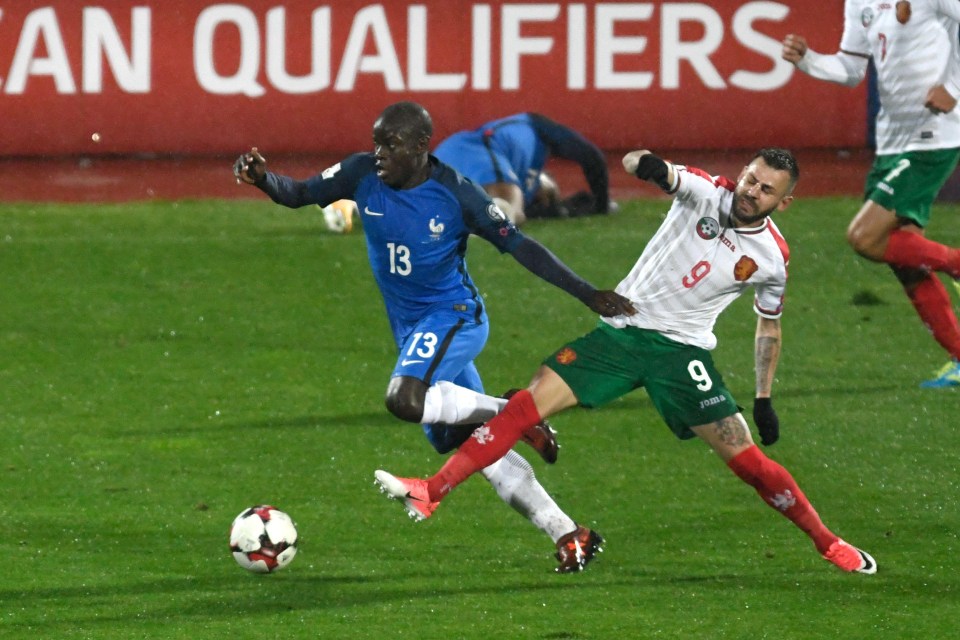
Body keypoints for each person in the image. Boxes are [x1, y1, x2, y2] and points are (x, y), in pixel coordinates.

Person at [375, 148, 879, 575]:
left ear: (784, 202)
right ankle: (432, 489)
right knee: (522, 408)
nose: (751, 191)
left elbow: (769, 323)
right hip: (618, 336)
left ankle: (827, 542)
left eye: (766, 190)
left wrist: (764, 398)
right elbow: (656, 168)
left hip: (681, 356)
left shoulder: (772, 257)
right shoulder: (705, 190)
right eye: (751, 178)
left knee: (749, 464)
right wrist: (649, 165)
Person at [233, 101, 636, 573]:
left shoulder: (457, 194)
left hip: (454, 317)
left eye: (392, 144)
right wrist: (262, 179)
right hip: (413, 330)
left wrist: (587, 293)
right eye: (377, 142)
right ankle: (570, 532)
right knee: (465, 439)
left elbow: (522, 247)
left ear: (422, 147)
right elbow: (298, 193)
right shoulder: (361, 173)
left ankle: (515, 413)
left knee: (404, 399)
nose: (379, 152)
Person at [782, 1, 960, 388]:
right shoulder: (857, 2)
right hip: (892, 140)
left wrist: (953, 87)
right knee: (906, 259)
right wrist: (808, 59)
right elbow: (850, 69)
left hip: (936, 133)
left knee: (864, 237)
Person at [433, 112, 616, 225]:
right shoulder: (536, 126)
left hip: (446, 153)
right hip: (477, 147)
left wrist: (561, 210)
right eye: (552, 198)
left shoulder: (522, 174)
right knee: (508, 211)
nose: (548, 200)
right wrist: (601, 204)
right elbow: (592, 156)